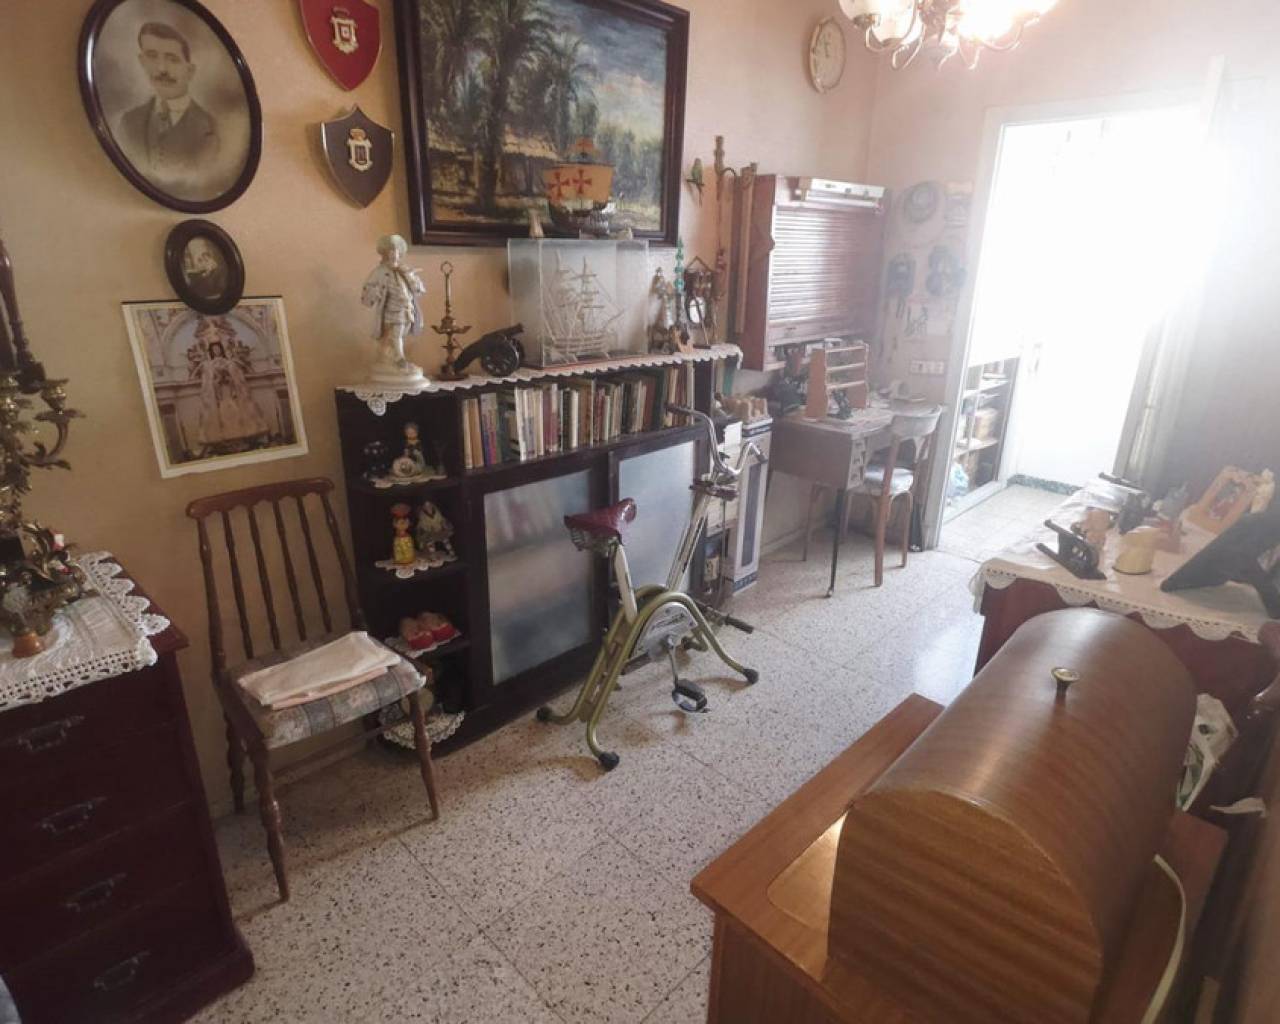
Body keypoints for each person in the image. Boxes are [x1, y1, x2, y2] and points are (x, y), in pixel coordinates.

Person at [118, 21, 220, 177]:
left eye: (172, 59)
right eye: (152, 56)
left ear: (190, 71)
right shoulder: (128, 122)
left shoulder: (210, 126)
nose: (162, 69)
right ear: (142, 61)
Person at [191, 324, 269, 450]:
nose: (216, 351)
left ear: (221, 349)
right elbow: (207, 384)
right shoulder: (208, 365)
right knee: (221, 416)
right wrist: (216, 381)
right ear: (211, 351)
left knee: (236, 413)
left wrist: (229, 378)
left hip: (230, 393)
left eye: (218, 349)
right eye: (214, 349)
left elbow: (238, 379)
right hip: (219, 396)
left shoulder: (230, 363)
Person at [361, 234, 426, 380]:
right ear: (385, 253)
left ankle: (391, 358)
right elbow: (368, 292)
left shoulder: (404, 270)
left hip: (407, 309)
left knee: (401, 333)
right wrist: (375, 292)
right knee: (396, 333)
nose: (393, 254)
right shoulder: (379, 271)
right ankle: (399, 359)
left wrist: (410, 276)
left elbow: (419, 290)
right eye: (390, 250)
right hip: (392, 309)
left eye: (396, 250)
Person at [183, 237, 227, 301]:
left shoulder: (214, 266)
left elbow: (211, 269)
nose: (204, 259)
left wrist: (206, 273)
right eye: (187, 256)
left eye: (205, 257)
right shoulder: (204, 263)